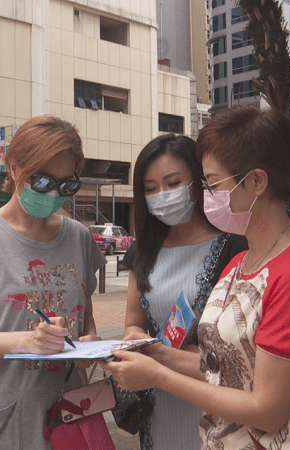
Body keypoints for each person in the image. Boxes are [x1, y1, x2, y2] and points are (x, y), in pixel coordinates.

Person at [103, 107, 290, 449]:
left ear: (257, 181)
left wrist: (159, 376)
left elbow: (267, 410)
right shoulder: (243, 262)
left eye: (213, 184)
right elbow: (221, 365)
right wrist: (156, 353)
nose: (205, 194)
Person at [0, 115, 107, 450]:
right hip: (2, 417)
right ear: (14, 168)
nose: (54, 193)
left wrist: (90, 341)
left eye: (67, 185)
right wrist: (28, 340)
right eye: (43, 180)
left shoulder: (78, 237)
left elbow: (84, 315)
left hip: (69, 411)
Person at [120, 135, 247, 449]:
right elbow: (133, 322)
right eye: (150, 189)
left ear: (198, 182)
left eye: (172, 183)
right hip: (157, 398)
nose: (162, 195)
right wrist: (134, 337)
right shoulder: (143, 250)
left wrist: (166, 357)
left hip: (214, 398)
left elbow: (239, 350)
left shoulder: (235, 245)